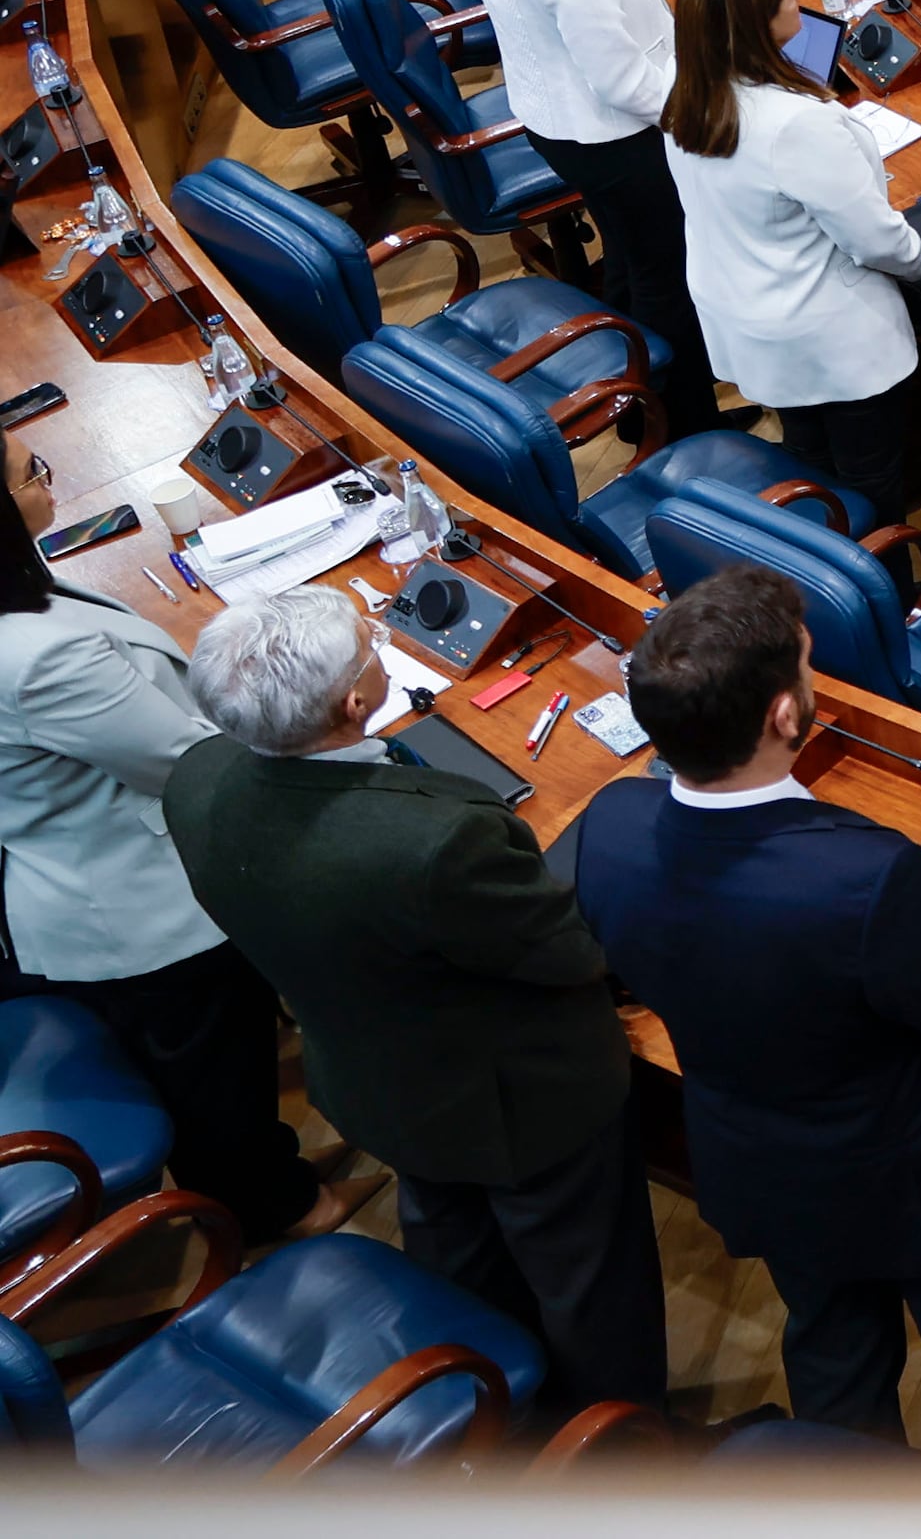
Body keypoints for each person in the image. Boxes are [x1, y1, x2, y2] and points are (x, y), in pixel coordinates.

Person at [568, 568, 921, 1450]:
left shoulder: (610, 823)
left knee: (835, 1363)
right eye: (805, 664)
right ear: (785, 716)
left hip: (763, 1168)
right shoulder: (864, 876)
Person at [164, 587, 669, 1421]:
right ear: (355, 702)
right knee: (588, 1281)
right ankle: (620, 1439)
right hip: (521, 1104)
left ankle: (495, 1407)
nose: (378, 646)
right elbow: (569, 953)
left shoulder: (197, 777)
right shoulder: (432, 840)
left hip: (372, 1078)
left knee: (455, 1247)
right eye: (372, 646)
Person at [0, 439, 344, 1251]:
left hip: (56, 868)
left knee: (203, 1074)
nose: (48, 477)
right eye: (29, 473)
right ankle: (278, 1213)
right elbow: (188, 761)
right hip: (145, 903)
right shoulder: (38, 658)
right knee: (216, 1081)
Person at [451, 0, 711, 406]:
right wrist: (701, 116)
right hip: (615, 135)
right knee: (666, 275)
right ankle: (684, 420)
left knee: (625, 258)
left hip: (554, 118)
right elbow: (620, 78)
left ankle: (634, 403)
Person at [662, 0, 921, 510]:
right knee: (872, 483)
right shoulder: (797, 126)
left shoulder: (688, 97)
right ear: (758, 25)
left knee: (810, 458)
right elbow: (876, 241)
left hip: (752, 320)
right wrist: (920, 260)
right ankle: (885, 584)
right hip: (825, 337)